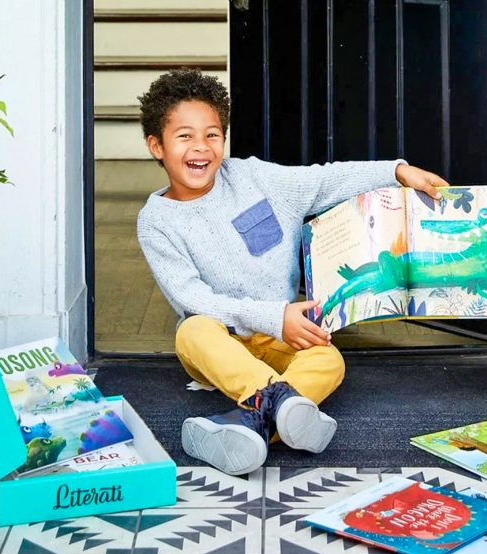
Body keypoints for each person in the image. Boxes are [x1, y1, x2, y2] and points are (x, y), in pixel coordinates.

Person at [136, 69, 447, 476]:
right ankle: (281, 409)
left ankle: (248, 424)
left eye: (212, 135)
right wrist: (273, 316)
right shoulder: (156, 220)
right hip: (220, 340)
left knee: (328, 359)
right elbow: (192, 299)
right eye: (185, 136)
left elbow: (324, 179)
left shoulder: (253, 178)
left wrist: (396, 171)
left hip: (281, 334)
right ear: (156, 145)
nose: (201, 148)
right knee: (190, 331)